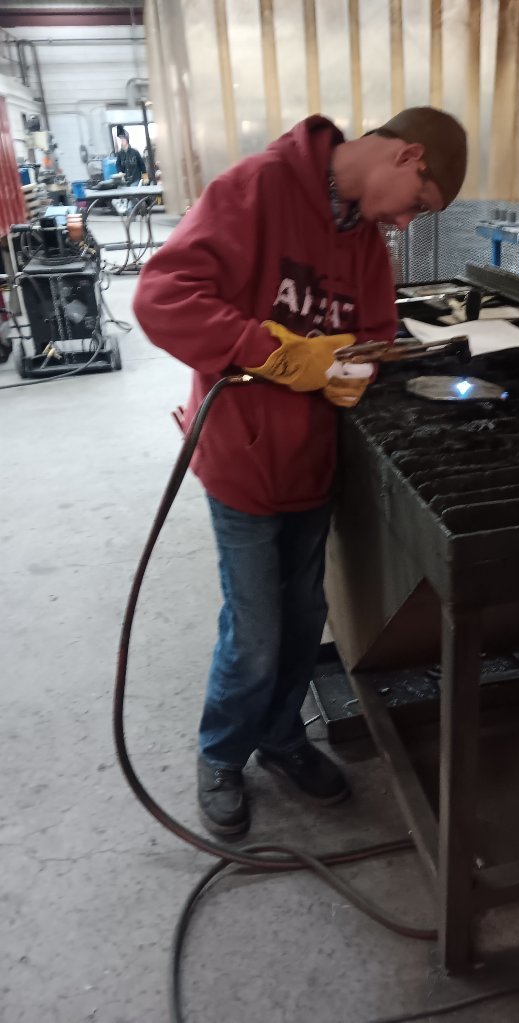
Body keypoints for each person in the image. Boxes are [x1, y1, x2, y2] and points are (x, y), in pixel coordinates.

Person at [132, 107, 467, 837]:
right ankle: (220, 753)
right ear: (405, 156)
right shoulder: (254, 189)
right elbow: (160, 297)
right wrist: (269, 350)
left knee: (302, 618)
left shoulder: (366, 242)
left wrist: (358, 367)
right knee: (254, 631)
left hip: (312, 462)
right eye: (417, 205)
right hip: (243, 459)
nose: (408, 225)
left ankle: (281, 739)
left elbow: (375, 333)